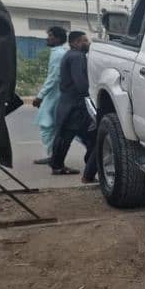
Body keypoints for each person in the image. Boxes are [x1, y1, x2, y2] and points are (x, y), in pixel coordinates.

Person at [50, 31, 97, 183]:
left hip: (67, 103)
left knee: (66, 136)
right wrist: (91, 95)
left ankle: (57, 165)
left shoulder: (69, 55)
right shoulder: (77, 57)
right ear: (76, 42)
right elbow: (81, 83)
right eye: (85, 41)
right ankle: (88, 169)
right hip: (76, 106)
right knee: (93, 138)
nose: (88, 43)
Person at [32, 27, 67, 165]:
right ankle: (53, 155)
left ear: (58, 39)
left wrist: (40, 95)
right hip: (56, 94)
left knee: (47, 125)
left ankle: (53, 156)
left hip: (55, 95)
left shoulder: (58, 54)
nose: (47, 38)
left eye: (50, 36)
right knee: (52, 126)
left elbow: (54, 77)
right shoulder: (58, 52)